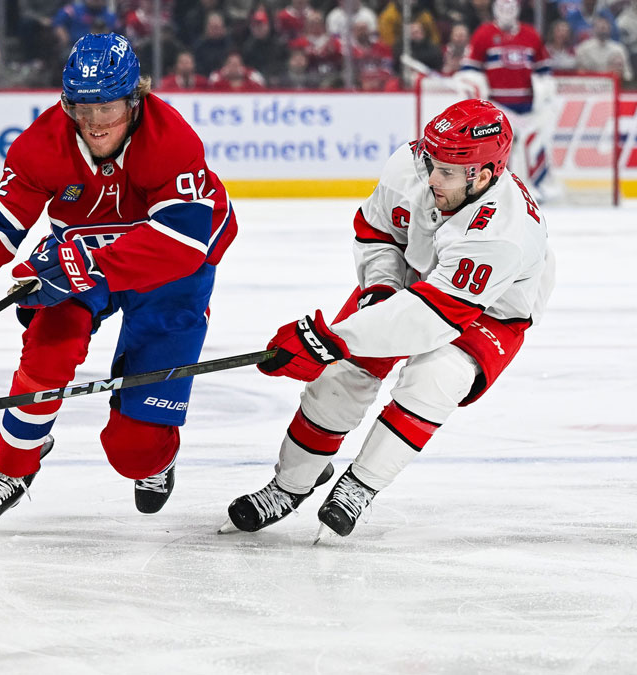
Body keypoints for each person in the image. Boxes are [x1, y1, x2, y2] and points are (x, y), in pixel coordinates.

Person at [0, 33, 236, 535]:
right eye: (83, 107)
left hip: (172, 270)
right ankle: (13, 470)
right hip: (81, 251)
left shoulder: (172, 139)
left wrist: (92, 265)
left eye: (108, 107)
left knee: (134, 453)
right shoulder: (43, 142)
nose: (95, 122)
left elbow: (182, 241)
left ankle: (154, 459)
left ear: (135, 99)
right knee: (47, 346)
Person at [222, 100, 555, 538]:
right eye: (432, 162)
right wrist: (379, 289)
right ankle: (289, 485)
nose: (432, 178)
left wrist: (331, 337)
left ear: (485, 175)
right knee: (341, 378)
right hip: (420, 280)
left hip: (490, 310)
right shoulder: (412, 165)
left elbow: (434, 316)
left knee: (436, 378)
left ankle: (360, 485)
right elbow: (378, 232)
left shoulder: (502, 234)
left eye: (448, 173)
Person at [458, 0, 557, 200]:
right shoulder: (483, 34)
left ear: (518, 10)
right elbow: (469, 70)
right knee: (500, 147)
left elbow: (544, 70)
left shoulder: (530, 35)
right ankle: (501, 186)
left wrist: (544, 92)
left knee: (534, 144)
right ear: (495, 10)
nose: (506, 12)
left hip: (528, 107)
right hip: (498, 105)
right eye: (502, 8)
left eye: (510, 8)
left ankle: (536, 184)